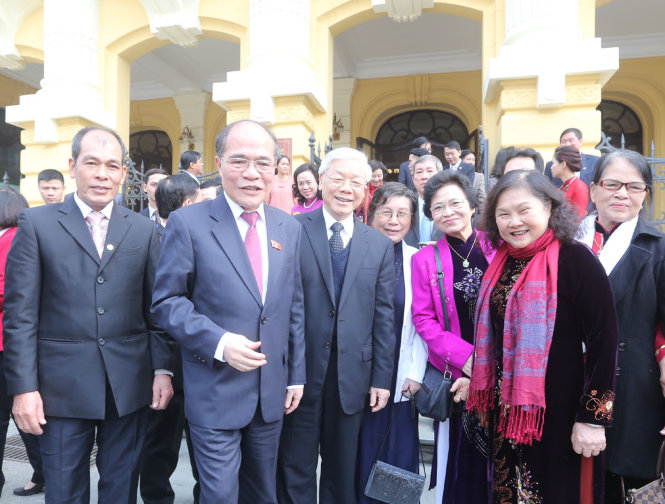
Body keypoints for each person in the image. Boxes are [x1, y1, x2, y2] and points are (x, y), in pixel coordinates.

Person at [3, 126, 174, 504]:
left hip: (128, 386)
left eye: (112, 166)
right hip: (59, 389)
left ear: (124, 174)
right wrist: (23, 389)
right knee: (64, 490)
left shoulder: (144, 230)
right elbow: (19, 316)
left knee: (121, 488)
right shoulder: (37, 225)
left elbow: (157, 310)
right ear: (72, 166)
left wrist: (162, 369)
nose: (102, 174)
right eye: (91, 163)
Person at [151, 119, 305, 504]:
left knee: (261, 494)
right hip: (215, 390)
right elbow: (167, 303)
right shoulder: (189, 223)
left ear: (275, 168)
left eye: (263, 163)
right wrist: (219, 342)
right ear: (219, 164)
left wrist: (295, 375)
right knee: (219, 495)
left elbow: (293, 307)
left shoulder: (288, 228)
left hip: (270, 392)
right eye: (239, 161)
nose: (252, 173)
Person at [465, 170, 619, 504]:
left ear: (549, 207)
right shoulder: (501, 263)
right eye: (503, 214)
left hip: (561, 416)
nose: (514, 222)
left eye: (524, 210)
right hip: (506, 415)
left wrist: (594, 418)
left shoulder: (577, 260)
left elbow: (605, 343)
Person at [276, 147, 395, 504]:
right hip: (300, 374)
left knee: (342, 470)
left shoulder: (378, 245)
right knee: (294, 466)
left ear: (365, 189)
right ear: (322, 181)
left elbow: (384, 317)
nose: (346, 188)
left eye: (355, 182)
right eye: (338, 179)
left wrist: (380, 379)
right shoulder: (292, 230)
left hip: (353, 378)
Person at [577, 150, 665, 502]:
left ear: (644, 194)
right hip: (572, 380)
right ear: (594, 189)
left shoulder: (658, 249)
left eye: (633, 186)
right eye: (612, 184)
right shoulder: (567, 242)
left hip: (633, 388)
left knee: (621, 483)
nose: (622, 194)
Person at [411, 171, 495, 504]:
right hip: (463, 376)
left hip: (505, 369)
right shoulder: (424, 260)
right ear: (430, 213)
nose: (448, 212)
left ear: (471, 205)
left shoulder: (498, 245)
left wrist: (493, 360)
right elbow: (424, 319)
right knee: (466, 461)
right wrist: (468, 359)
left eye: (455, 203)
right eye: (438, 207)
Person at [356, 182, 428, 503]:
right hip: (357, 380)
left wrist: (415, 372)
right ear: (371, 215)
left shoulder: (418, 261)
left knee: (396, 459)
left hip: (400, 382)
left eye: (402, 213)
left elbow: (425, 323)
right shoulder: (355, 255)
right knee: (360, 457)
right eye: (385, 212)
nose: (393, 221)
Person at [139, 171, 201, 504]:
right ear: (189, 202)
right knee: (161, 440)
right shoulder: (153, 239)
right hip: (170, 360)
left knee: (198, 441)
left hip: (195, 358)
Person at [0, 188, 45, 498]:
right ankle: (43, 473)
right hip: (19, 343)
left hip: (8, 342)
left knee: (18, 413)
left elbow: (9, 290)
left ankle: (43, 473)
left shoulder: (12, 238)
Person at [404, 154, 443, 247]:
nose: (424, 176)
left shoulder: (452, 208)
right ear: (413, 180)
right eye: (419, 172)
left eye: (430, 171)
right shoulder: (406, 206)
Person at [550, 145, 587, 218]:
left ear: (563, 164)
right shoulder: (563, 186)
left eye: (553, 163)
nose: (551, 167)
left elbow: (577, 219)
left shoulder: (579, 187)